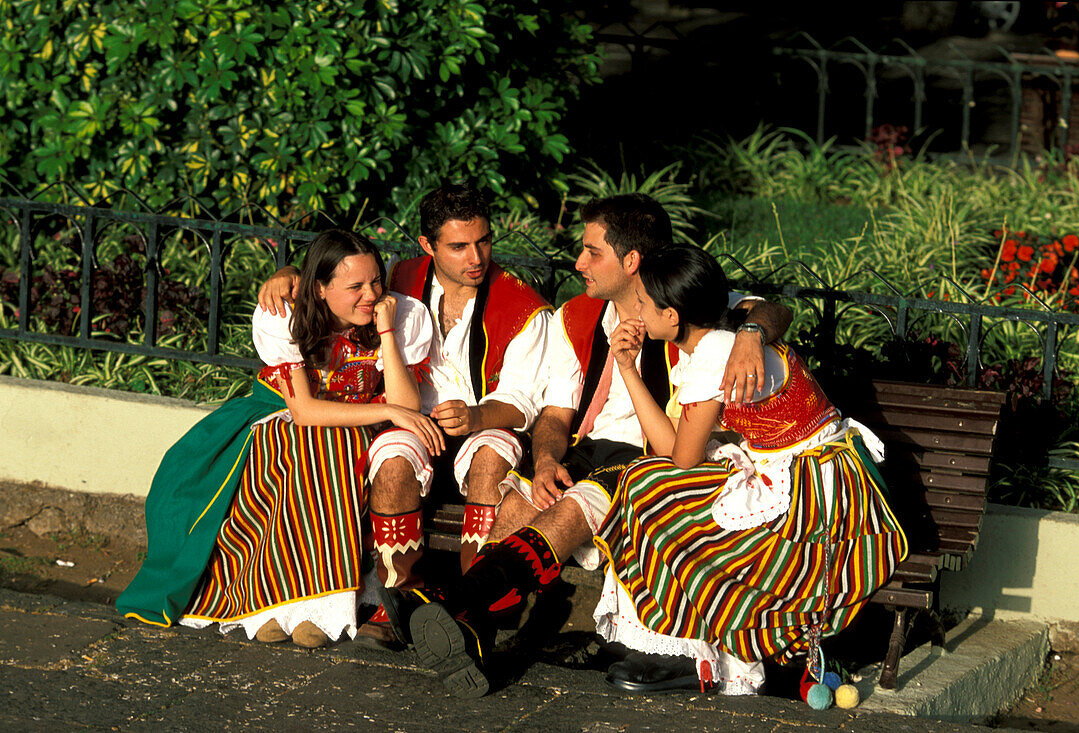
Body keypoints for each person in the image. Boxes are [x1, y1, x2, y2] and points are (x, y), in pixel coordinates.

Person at [397, 194, 794, 698]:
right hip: (588, 446)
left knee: (574, 510)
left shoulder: (685, 301)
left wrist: (750, 334)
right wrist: (543, 460)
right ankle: (474, 630)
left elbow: (774, 308)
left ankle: (454, 602)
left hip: (656, 460)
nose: (578, 263)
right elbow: (556, 416)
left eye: (592, 252)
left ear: (631, 262)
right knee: (518, 502)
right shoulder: (577, 317)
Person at [593, 243, 908, 694]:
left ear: (673, 317)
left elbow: (679, 458)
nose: (635, 310)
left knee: (654, 491)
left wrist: (630, 370)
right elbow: (765, 310)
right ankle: (674, 641)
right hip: (802, 468)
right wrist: (629, 365)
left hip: (814, 495)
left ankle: (690, 650)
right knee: (648, 484)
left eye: (643, 303)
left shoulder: (712, 356)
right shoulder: (727, 321)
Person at [117, 230, 443, 648]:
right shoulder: (284, 316)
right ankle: (271, 602)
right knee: (298, 445)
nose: (371, 293)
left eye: (376, 281)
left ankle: (320, 607)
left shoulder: (402, 316)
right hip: (290, 413)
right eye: (355, 286)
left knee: (333, 447)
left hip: (359, 423)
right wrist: (387, 411)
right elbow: (306, 412)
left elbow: (405, 403)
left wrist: (386, 334)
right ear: (320, 289)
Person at [258, 184, 552, 640]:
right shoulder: (401, 279)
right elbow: (336, 279)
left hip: (485, 420)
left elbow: (523, 403)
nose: (476, 257)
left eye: (484, 241)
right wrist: (289, 273)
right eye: (458, 247)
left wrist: (475, 418)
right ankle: (397, 598)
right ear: (427, 246)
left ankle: (476, 605)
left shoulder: (523, 307)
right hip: (408, 416)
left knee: (490, 458)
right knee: (392, 461)